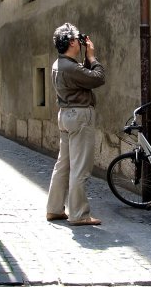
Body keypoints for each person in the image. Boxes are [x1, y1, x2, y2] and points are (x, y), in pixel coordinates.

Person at [46, 22, 105, 226]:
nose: (80, 42)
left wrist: (85, 60)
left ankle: (54, 209)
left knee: (63, 164)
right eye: (77, 39)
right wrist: (91, 57)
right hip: (80, 116)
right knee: (80, 167)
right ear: (71, 42)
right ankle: (79, 214)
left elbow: (83, 79)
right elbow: (98, 78)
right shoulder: (70, 67)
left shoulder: (59, 64)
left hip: (65, 116)